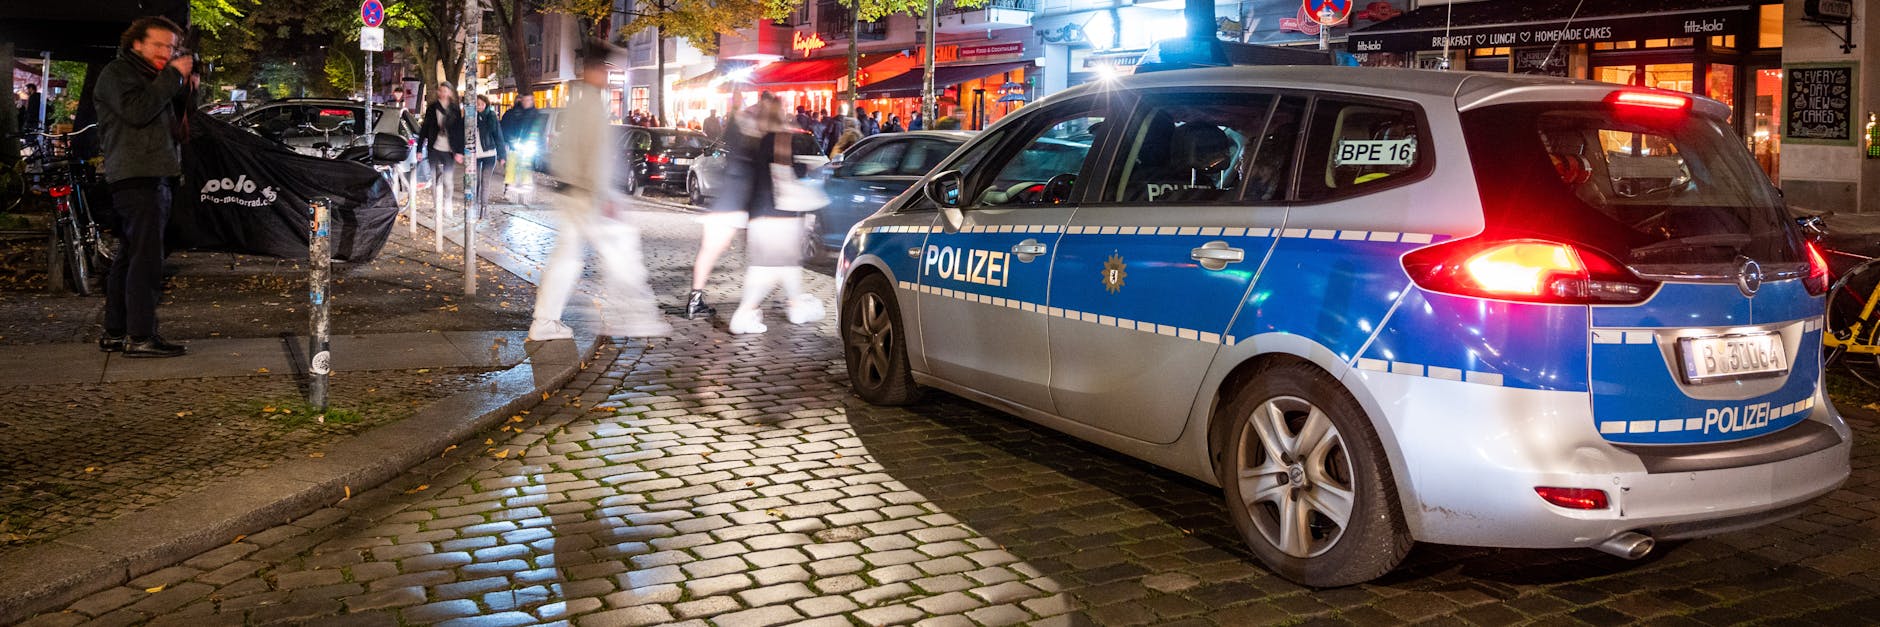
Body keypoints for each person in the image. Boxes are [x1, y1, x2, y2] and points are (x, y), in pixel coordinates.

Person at [529, 40, 670, 341]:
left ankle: (545, 321)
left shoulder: (579, 102)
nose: (608, 77)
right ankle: (633, 317)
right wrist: (603, 195)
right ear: (595, 70)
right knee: (621, 253)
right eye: (606, 70)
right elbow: (595, 155)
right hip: (586, 195)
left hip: (573, 192)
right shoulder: (592, 105)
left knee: (567, 259)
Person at [96, 15, 194, 358]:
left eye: (171, 47)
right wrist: (172, 77)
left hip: (150, 173)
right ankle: (140, 336)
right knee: (146, 258)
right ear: (135, 43)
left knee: (130, 254)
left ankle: (117, 330)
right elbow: (137, 112)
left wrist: (184, 86)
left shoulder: (152, 78)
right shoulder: (118, 74)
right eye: (158, 45)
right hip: (139, 175)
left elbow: (172, 123)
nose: (166, 53)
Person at [687, 93, 823, 333]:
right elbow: (782, 172)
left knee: (776, 265)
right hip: (770, 212)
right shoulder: (777, 137)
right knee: (774, 266)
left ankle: (789, 305)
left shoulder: (754, 140)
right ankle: (751, 311)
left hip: (754, 211)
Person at [419, 82, 465, 218]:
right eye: (441, 90)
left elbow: (459, 131)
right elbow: (425, 128)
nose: (443, 93)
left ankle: (448, 204)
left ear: (450, 93)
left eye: (446, 91)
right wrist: (419, 149)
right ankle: (436, 206)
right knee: (434, 178)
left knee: (448, 180)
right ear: (439, 92)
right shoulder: (432, 108)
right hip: (434, 147)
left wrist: (459, 151)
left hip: (449, 149)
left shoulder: (455, 109)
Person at [472, 95, 506, 203]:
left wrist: (502, 155)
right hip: (475, 154)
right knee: (475, 180)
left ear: (486, 105)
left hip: (489, 153)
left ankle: (484, 207)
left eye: (482, 104)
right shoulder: (470, 117)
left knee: (485, 181)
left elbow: (498, 136)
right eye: (477, 104)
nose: (479, 106)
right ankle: (474, 205)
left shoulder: (491, 117)